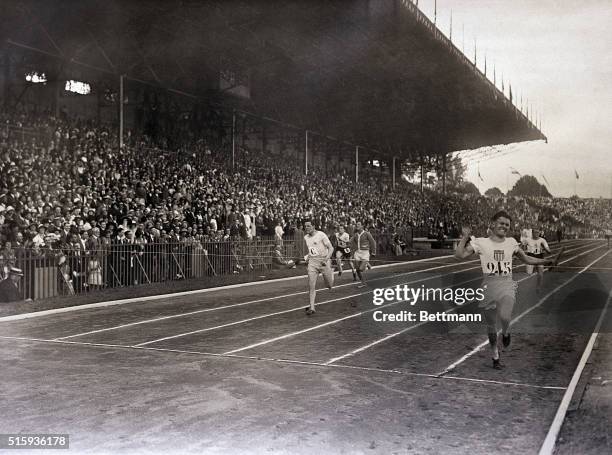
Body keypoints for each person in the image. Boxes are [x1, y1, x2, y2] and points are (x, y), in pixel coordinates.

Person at [455, 211, 562, 370]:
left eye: (507, 224)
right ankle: (495, 355)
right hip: (489, 287)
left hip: (506, 285)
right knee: (491, 326)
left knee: (505, 316)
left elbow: (526, 258)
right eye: (501, 223)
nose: (504, 226)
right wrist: (465, 236)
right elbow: (459, 255)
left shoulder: (512, 242)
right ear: (492, 223)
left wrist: (546, 261)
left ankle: (505, 332)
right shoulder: (481, 242)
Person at [303, 220, 334, 316]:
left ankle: (331, 273)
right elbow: (311, 251)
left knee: (329, 285)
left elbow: (331, 248)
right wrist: (307, 257)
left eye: (308, 226)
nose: (306, 228)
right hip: (313, 263)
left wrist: (326, 259)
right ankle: (312, 307)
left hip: (324, 262)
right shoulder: (306, 238)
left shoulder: (321, 235)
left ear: (313, 226)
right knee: (311, 285)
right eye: (305, 226)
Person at [523, 227, 551, 292]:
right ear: (532, 233)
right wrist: (524, 252)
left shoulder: (542, 240)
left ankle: (538, 287)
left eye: (538, 232)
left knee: (540, 274)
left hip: (540, 257)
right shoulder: (527, 240)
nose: (537, 234)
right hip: (530, 257)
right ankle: (528, 286)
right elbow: (522, 247)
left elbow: (549, 251)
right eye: (535, 232)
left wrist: (545, 248)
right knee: (528, 274)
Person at [350, 221, 376, 288]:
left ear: (362, 226)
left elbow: (373, 242)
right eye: (356, 225)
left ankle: (366, 263)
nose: (357, 226)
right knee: (358, 269)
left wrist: (373, 252)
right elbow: (350, 242)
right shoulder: (355, 235)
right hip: (357, 253)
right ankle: (363, 283)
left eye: (358, 224)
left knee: (361, 269)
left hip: (365, 253)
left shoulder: (367, 234)